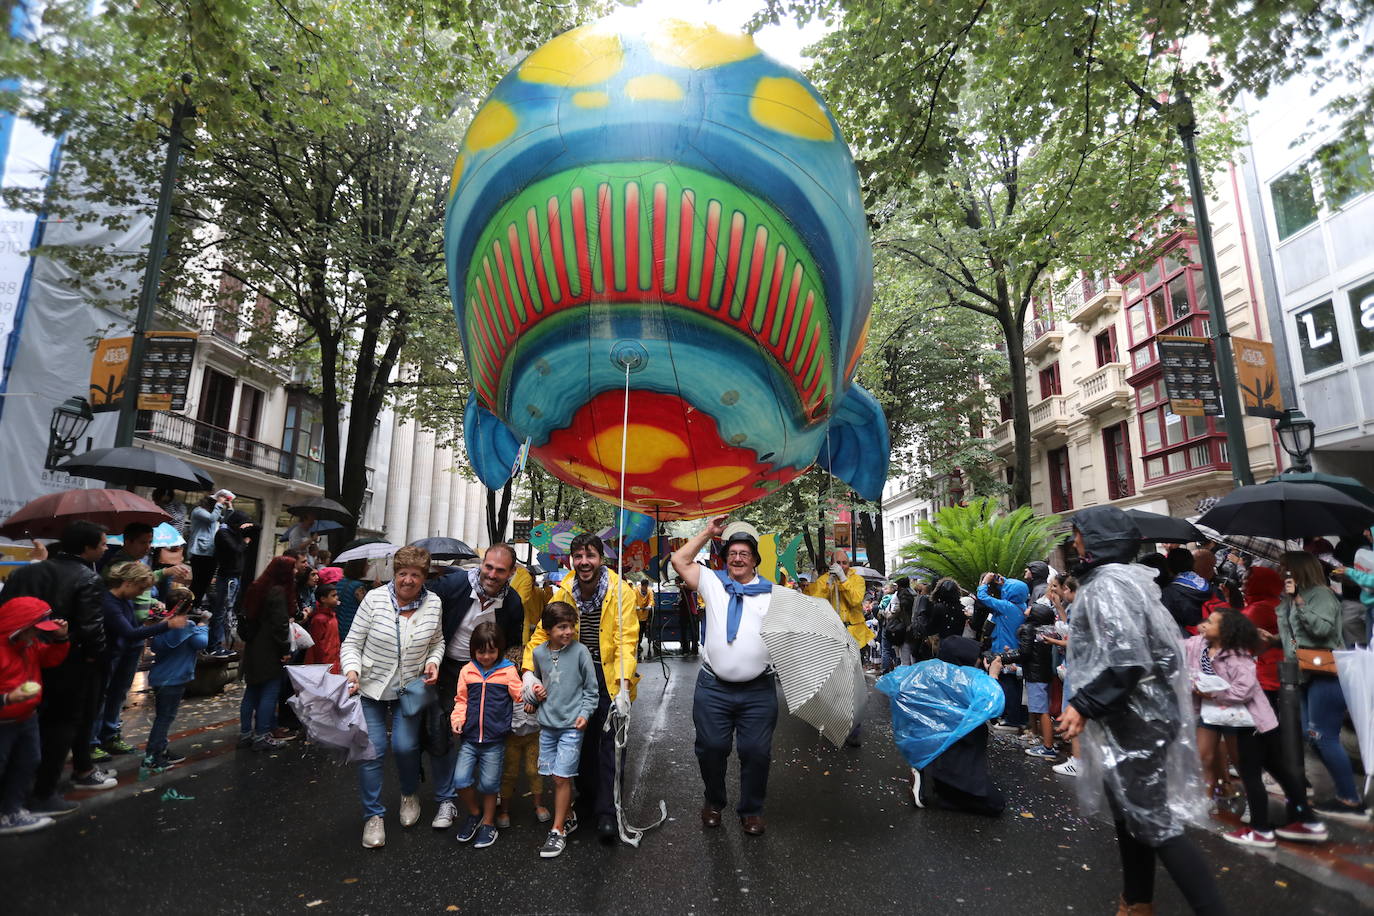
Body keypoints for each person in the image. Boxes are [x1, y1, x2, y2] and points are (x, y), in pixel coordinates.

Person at [1056, 506, 1222, 916]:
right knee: (1132, 815)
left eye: (1079, 535)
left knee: (1154, 821)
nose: (1074, 543)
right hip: (1131, 717)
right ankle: (1136, 902)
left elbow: (1128, 659)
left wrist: (1083, 703)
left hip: (1137, 720)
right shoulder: (1117, 582)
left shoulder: (1109, 586)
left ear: (1097, 542)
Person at [523, 532, 638, 843]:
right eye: (579, 556)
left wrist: (624, 687)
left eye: (591, 556)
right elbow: (542, 633)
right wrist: (528, 671)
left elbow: (627, 639)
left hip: (608, 679)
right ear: (572, 559)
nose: (584, 562)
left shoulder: (620, 590)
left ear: (601, 558)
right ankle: (585, 800)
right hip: (570, 679)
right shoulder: (563, 590)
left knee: (608, 747)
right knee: (579, 742)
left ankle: (607, 812)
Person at [1186, 609, 1327, 849]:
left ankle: (1261, 830)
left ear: (1226, 631)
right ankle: (1308, 822)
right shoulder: (1208, 647)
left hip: (1251, 723)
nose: (1204, 624)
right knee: (1279, 771)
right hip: (1256, 722)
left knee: (1251, 776)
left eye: (1211, 622)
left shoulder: (1236, 656)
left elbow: (1244, 689)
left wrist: (1212, 692)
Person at [672, 517, 777, 836]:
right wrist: (708, 532)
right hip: (713, 687)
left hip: (758, 690)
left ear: (756, 559)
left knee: (756, 752)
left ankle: (752, 810)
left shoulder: (774, 594)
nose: (738, 557)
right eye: (732, 552)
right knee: (712, 747)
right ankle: (714, 801)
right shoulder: (711, 581)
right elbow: (679, 560)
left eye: (745, 552)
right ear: (725, 557)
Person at [2, 520, 111, 817]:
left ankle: (14, 795)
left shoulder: (25, 573)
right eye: (102, 544)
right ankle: (43, 793)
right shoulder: (87, 579)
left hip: (21, 658)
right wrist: (94, 659)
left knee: (23, 724)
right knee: (62, 725)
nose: (105, 549)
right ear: (87, 547)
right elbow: (91, 630)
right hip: (67, 662)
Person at [340, 545, 443, 849]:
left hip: (409, 690)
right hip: (370, 687)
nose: (408, 580)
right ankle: (374, 816)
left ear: (424, 578)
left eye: (415, 574)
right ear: (393, 574)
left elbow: (438, 641)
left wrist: (433, 661)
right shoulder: (374, 600)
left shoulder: (434, 604)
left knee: (405, 745)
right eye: (402, 573)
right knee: (372, 750)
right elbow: (351, 644)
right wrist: (352, 671)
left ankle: (409, 793)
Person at [426, 544, 523, 831]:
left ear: (511, 573)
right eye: (488, 567)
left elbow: (513, 644)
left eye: (500, 570)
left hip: (486, 672)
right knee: (441, 729)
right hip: (446, 666)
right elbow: (427, 612)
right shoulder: (454, 584)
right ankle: (447, 798)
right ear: (482, 564)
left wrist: (515, 681)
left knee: (485, 728)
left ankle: (486, 793)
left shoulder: (513, 603)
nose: (491, 574)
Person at [1275, 550, 1366, 822]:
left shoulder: (1321, 595)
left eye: (1284, 567)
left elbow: (1323, 632)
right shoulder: (1291, 597)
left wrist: (1300, 602)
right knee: (1308, 734)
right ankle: (1342, 785)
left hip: (1325, 673)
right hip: (1303, 673)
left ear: (1296, 570)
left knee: (1322, 736)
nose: (1279, 571)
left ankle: (1350, 797)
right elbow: (1291, 635)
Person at [527, 601, 599, 859]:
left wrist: (584, 714)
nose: (568, 631)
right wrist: (532, 700)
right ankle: (568, 815)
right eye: (561, 627)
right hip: (547, 726)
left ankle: (557, 831)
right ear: (548, 630)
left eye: (571, 626)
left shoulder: (580, 653)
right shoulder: (538, 653)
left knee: (561, 777)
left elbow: (592, 690)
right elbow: (538, 684)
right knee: (553, 774)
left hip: (571, 726)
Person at [904, 636, 1007, 816]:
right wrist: (993, 676)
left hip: (942, 757)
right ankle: (948, 793)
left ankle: (931, 778)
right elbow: (994, 707)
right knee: (995, 805)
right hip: (957, 761)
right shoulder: (963, 686)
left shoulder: (941, 679)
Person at [95, 562, 187, 758]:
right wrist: (167, 626)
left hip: (117, 654)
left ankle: (108, 737)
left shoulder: (124, 600)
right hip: (105, 657)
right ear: (128, 583)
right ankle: (91, 744)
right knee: (100, 698)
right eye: (140, 588)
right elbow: (129, 632)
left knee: (115, 695)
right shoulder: (109, 603)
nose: (140, 594)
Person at [449, 621, 524, 849]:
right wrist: (457, 719)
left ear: (499, 649)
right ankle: (475, 813)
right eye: (481, 651)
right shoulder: (467, 671)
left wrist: (535, 693)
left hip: (495, 740)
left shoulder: (508, 671)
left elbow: (520, 695)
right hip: (470, 739)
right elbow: (461, 700)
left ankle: (489, 823)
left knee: (490, 785)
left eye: (491, 651)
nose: (486, 656)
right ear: (473, 650)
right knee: (460, 780)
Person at [0, 598, 69, 835]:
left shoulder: (28, 644)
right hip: (4, 721)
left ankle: (11, 812)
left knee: (27, 763)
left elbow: (50, 659)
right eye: (35, 629)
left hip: (27, 717)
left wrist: (61, 638)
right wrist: (7, 699)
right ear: (20, 627)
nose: (37, 635)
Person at [237, 555, 297, 752]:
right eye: (292, 569)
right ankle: (262, 734)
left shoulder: (257, 586)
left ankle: (246, 733)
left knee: (252, 691)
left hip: (253, 646)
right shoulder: (277, 592)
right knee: (269, 692)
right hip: (269, 647)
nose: (295, 572)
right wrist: (285, 649)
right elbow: (280, 625)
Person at [142, 603, 208, 771]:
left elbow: (156, 646)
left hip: (160, 677)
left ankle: (161, 749)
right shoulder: (189, 626)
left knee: (163, 716)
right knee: (165, 718)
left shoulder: (163, 626)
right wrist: (203, 625)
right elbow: (201, 642)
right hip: (176, 678)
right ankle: (153, 756)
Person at [496, 646, 547, 830]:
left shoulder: (537, 682)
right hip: (512, 736)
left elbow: (546, 700)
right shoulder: (505, 686)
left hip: (534, 734)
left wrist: (537, 701)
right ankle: (504, 810)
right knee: (509, 773)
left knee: (534, 771)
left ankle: (538, 804)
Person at [975, 572, 1030, 733]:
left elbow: (983, 597)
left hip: (1003, 651)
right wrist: (1002, 582)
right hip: (1015, 650)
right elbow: (1014, 590)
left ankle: (1011, 719)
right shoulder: (1022, 606)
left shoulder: (1006, 606)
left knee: (1007, 685)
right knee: (1015, 684)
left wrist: (984, 582)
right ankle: (1014, 717)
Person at [1011, 599, 1057, 760]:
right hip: (1043, 673)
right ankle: (1042, 740)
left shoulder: (1029, 629)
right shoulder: (1047, 630)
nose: (1028, 608)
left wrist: (1004, 657)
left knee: (1042, 711)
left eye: (1032, 607)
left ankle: (1048, 747)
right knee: (1039, 708)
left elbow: (1025, 653)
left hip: (1035, 674)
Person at [209, 509, 257, 657]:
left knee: (227, 612)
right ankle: (212, 647)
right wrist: (245, 542)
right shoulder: (223, 533)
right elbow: (236, 549)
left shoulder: (235, 533)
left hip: (235, 577)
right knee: (220, 612)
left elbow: (258, 527)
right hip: (226, 577)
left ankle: (220, 645)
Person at [187, 491, 233, 606]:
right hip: (199, 551)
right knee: (197, 581)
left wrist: (229, 508)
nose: (217, 505)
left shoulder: (214, 512)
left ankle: (196, 605)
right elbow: (212, 519)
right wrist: (219, 504)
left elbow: (225, 521)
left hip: (211, 552)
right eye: (215, 502)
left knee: (206, 581)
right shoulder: (198, 511)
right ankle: (189, 605)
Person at [1161, 547, 1210, 635]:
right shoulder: (1211, 587)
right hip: (1213, 638)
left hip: (1188, 642)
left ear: (1169, 567)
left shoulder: (1169, 593)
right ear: (1193, 563)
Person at [305, 583, 341, 674]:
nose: (337, 598)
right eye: (333, 595)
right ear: (323, 599)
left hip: (334, 661)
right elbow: (316, 646)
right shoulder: (319, 619)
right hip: (323, 665)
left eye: (336, 595)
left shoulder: (332, 616)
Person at [333, 559, 370, 642]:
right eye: (366, 564)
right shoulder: (359, 587)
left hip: (337, 626)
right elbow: (367, 607)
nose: (368, 566)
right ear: (360, 567)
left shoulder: (340, 582)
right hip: (350, 628)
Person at [677, 583, 699, 655]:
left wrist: (684, 586)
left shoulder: (686, 588)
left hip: (691, 612)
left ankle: (694, 649)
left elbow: (693, 586)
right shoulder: (681, 591)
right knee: (683, 632)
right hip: (683, 612)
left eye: (677, 582)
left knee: (693, 632)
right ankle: (685, 649)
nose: (676, 584)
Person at [635, 580, 653, 659]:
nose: (645, 589)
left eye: (646, 587)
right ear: (642, 586)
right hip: (636, 615)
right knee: (636, 631)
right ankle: (636, 645)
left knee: (641, 631)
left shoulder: (649, 591)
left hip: (644, 615)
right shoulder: (635, 590)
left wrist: (650, 605)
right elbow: (632, 599)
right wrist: (635, 606)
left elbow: (651, 600)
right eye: (644, 587)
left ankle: (639, 644)